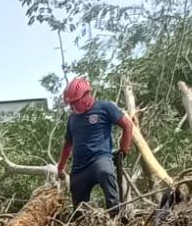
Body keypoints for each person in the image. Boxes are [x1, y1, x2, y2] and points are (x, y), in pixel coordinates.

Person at [56, 77, 135, 214]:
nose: (73, 107)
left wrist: (123, 149)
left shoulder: (105, 107)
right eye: (71, 105)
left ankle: (115, 217)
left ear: (86, 95)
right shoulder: (73, 119)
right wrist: (60, 167)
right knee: (78, 206)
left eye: (76, 103)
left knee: (105, 172)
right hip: (80, 166)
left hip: (100, 158)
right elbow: (68, 144)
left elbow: (127, 125)